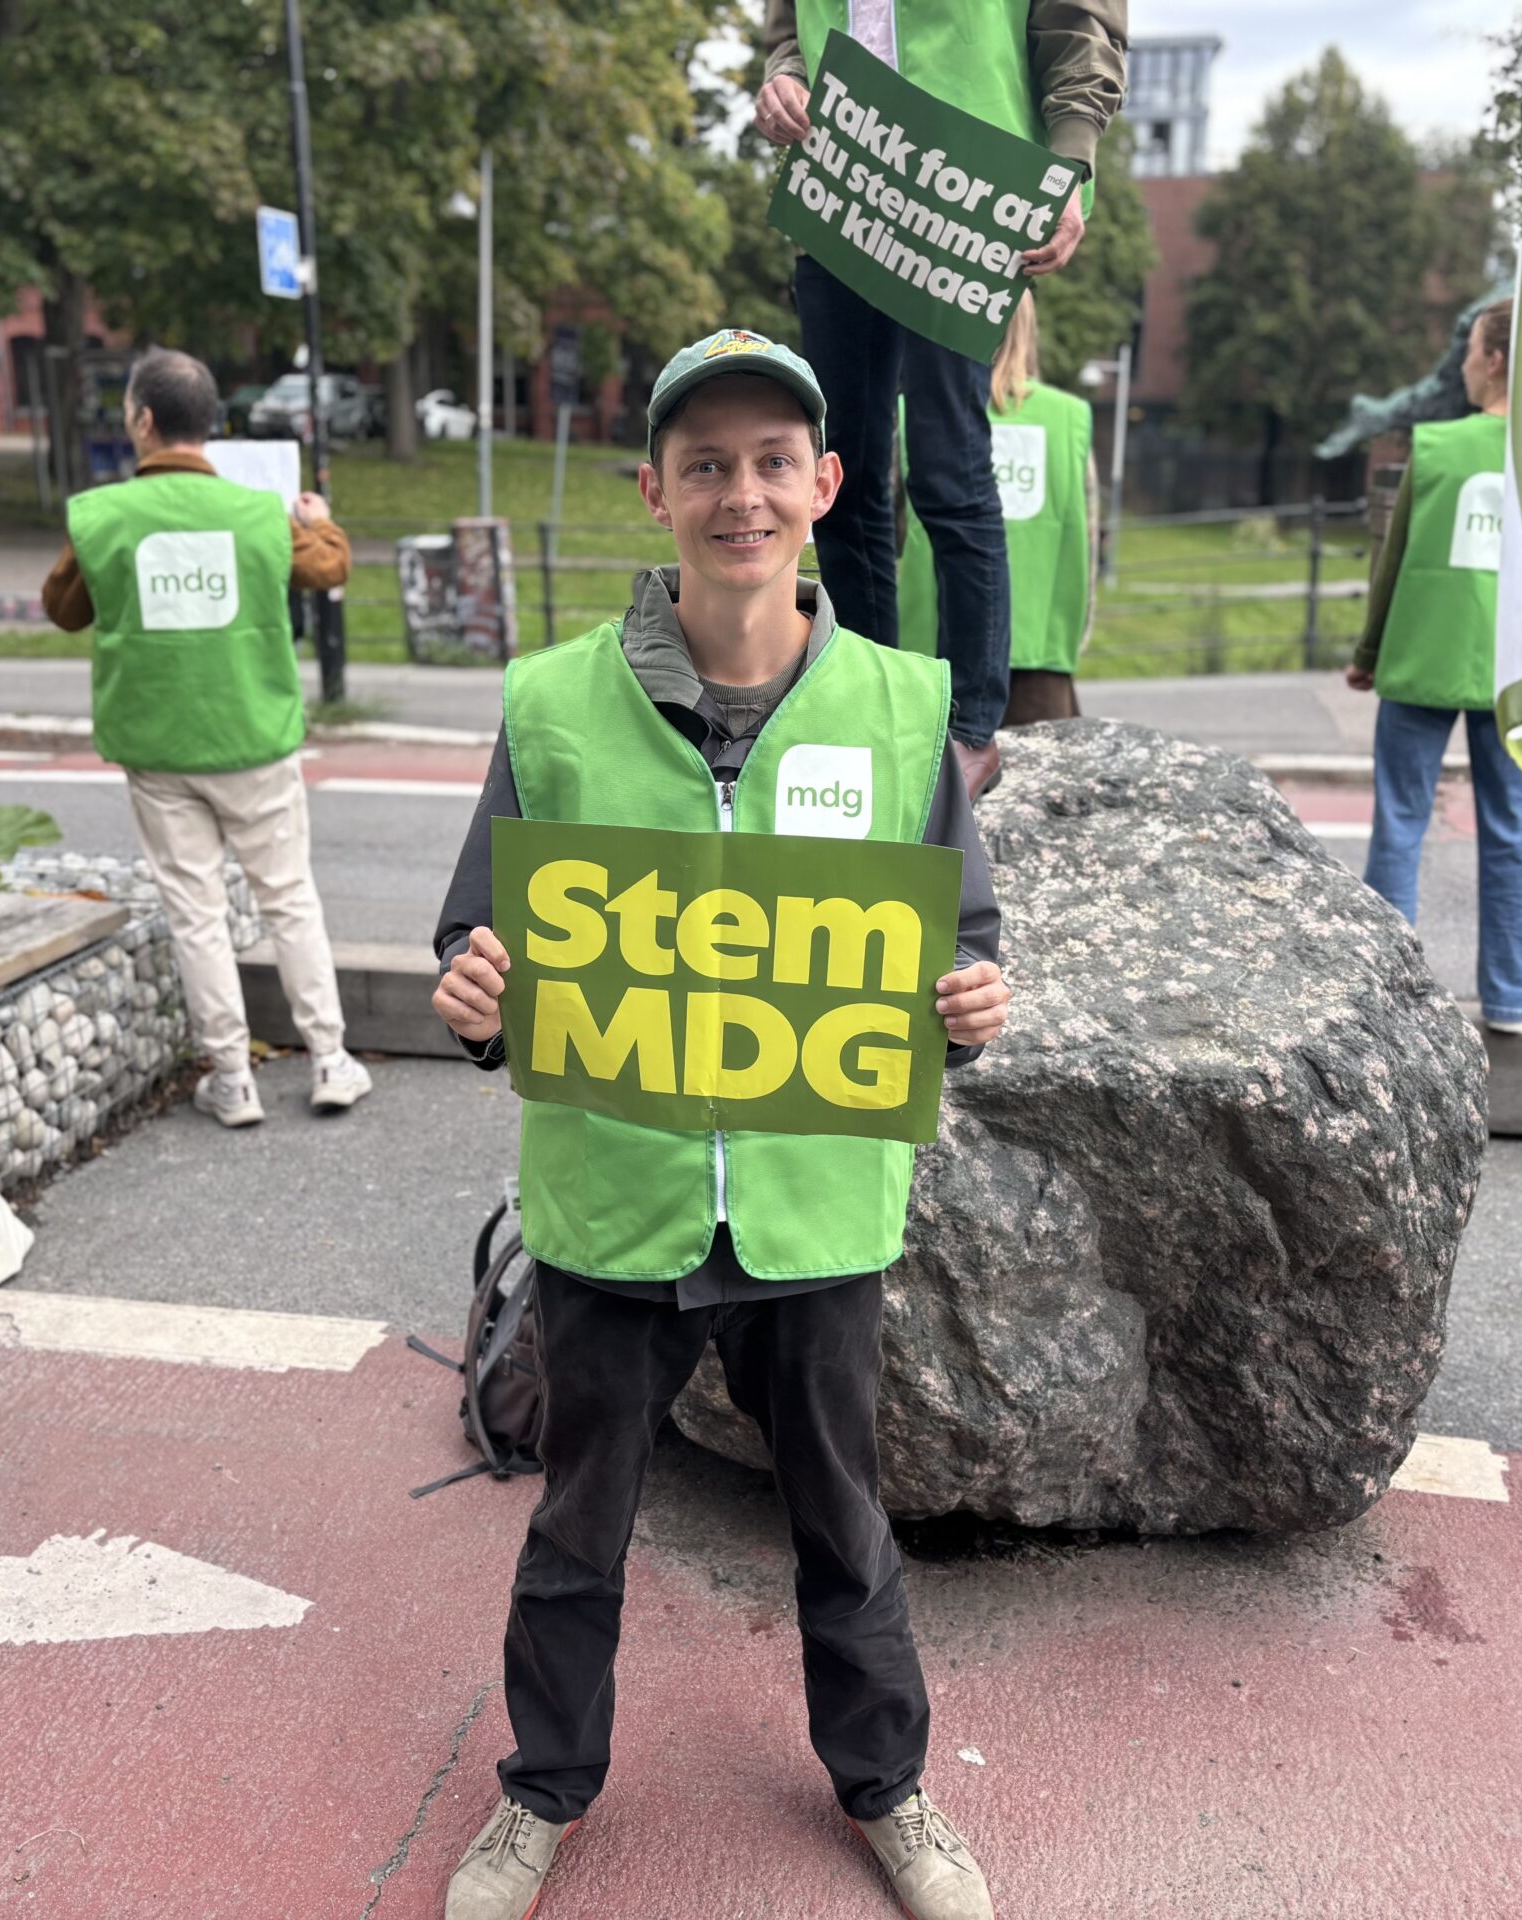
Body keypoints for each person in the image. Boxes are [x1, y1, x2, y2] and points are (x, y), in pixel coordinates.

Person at [429, 327, 1012, 1920]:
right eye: (706, 465)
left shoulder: (901, 708)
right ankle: (542, 1792)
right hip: (614, 1205)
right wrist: (475, 998)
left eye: (770, 463)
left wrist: (971, 1000)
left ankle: (888, 1788)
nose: (739, 493)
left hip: (814, 1206)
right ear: (655, 492)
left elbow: (958, 941)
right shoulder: (554, 704)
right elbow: (482, 939)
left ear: (825, 487)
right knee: (577, 1524)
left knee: (843, 1519)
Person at [755, 0, 1127, 799]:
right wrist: (783, 75)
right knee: (841, 476)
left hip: (966, 188)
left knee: (948, 465)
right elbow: (789, 25)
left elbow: (1082, 27)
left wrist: (1070, 163)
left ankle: (970, 728)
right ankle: (863, 706)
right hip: (842, 180)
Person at [40, 347, 370, 1124]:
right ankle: (329, 1060)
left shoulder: (102, 516)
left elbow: (64, 607)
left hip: (157, 749)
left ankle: (231, 1077)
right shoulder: (260, 514)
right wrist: (317, 520)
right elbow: (330, 567)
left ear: (143, 421)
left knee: (196, 912)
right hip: (254, 737)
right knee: (289, 899)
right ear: (212, 424)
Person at [1345, 300, 1522, 1035]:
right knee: (1513, 834)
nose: (1462, 362)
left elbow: (1395, 563)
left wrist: (1368, 655)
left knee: (1401, 822)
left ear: (1494, 360)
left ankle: (1383, 998)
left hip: (1426, 653)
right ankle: (1512, 994)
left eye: (1468, 349)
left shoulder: (1437, 446)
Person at [897, 290, 1097, 726]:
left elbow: (889, 540)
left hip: (927, 656)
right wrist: (1074, 637)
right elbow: (1088, 543)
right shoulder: (1070, 419)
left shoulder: (913, 414)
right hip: (1040, 658)